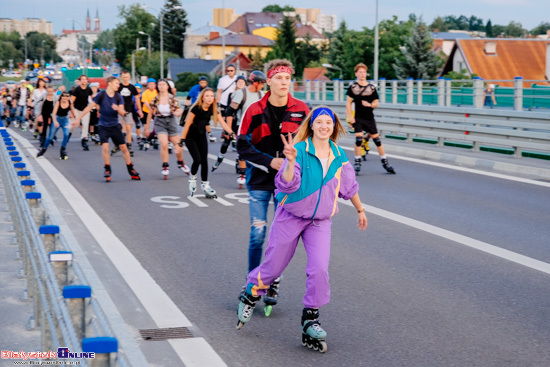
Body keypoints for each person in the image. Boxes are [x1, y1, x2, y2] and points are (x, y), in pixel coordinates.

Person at [236, 106, 368, 353]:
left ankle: (311, 318)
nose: (324, 126)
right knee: (274, 265)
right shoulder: (299, 150)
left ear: (334, 127)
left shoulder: (339, 156)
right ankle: (251, 292)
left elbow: (349, 187)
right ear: (312, 125)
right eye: (320, 122)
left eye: (328, 122)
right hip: (290, 216)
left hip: (320, 221)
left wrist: (360, 210)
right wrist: (290, 161)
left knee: (319, 269)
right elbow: (287, 183)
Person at [236, 59, 310, 311]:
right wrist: (271, 162)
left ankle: (273, 279)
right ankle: (252, 283)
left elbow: (310, 146)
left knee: (280, 238)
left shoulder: (301, 109)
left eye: (288, 78)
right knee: (258, 234)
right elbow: (242, 146)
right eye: (278, 78)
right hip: (259, 180)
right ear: (268, 81)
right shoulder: (254, 110)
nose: (284, 82)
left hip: (287, 185)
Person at [73, 76, 141, 182]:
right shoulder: (101, 95)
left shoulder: (119, 96)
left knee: (124, 148)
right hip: (103, 126)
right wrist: (78, 118)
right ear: (109, 84)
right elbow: (90, 106)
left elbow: (123, 113)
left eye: (118, 83)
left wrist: (118, 108)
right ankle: (107, 169)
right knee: (105, 147)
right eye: (116, 83)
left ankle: (131, 169)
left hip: (114, 125)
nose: (118, 85)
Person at [212, 71, 266, 189]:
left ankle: (255, 174)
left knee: (258, 151)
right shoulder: (241, 93)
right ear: (255, 82)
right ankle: (242, 174)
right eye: (261, 83)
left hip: (257, 128)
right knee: (243, 151)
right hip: (242, 126)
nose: (262, 86)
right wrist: (228, 131)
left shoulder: (261, 94)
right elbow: (230, 112)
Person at [181, 87, 233, 198]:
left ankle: (205, 185)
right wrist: (182, 139)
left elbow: (223, 123)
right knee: (197, 159)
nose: (209, 98)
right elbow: (187, 124)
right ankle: (192, 178)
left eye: (211, 96)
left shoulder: (213, 108)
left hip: (201, 135)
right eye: (207, 96)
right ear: (202, 97)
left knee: (204, 161)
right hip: (190, 136)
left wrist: (231, 132)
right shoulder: (195, 109)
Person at [346, 63, 395, 174]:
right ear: (356, 74)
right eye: (360, 72)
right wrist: (350, 117)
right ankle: (357, 161)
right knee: (358, 140)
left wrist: (370, 105)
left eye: (364, 72)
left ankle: (385, 162)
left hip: (369, 118)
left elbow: (376, 102)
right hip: (358, 117)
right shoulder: (353, 87)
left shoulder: (371, 88)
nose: (362, 74)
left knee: (377, 140)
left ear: (366, 73)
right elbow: (348, 103)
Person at [144, 79, 190, 179]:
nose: (161, 86)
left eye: (163, 84)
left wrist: (178, 112)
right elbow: (150, 113)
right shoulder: (155, 99)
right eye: (159, 85)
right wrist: (147, 127)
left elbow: (179, 109)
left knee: (178, 145)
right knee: (164, 144)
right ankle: (165, 166)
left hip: (171, 121)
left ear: (167, 86)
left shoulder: (172, 98)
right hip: (160, 122)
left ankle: (180, 162)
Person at [36, 91, 76, 160]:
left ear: (69, 97)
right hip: (57, 119)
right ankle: (43, 149)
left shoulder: (70, 103)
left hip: (65, 120)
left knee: (66, 134)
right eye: (64, 96)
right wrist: (55, 121)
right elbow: (54, 113)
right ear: (61, 97)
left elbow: (73, 112)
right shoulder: (58, 102)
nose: (65, 98)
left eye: (67, 97)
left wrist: (75, 119)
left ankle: (63, 149)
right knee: (50, 137)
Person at [117, 70, 143, 156]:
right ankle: (119, 144)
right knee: (119, 129)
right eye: (124, 77)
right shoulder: (118, 87)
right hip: (119, 111)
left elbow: (137, 99)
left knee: (128, 128)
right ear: (121, 77)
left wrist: (139, 109)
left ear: (130, 77)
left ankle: (128, 145)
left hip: (128, 111)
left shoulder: (132, 87)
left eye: (127, 77)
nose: (125, 79)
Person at [70, 75, 93, 151]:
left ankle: (84, 140)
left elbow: (92, 99)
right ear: (80, 81)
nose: (84, 81)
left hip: (85, 110)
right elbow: (71, 102)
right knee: (74, 125)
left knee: (86, 125)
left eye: (85, 79)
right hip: (76, 110)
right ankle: (68, 134)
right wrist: (71, 112)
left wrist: (92, 107)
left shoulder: (89, 89)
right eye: (82, 79)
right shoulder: (77, 90)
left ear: (87, 81)